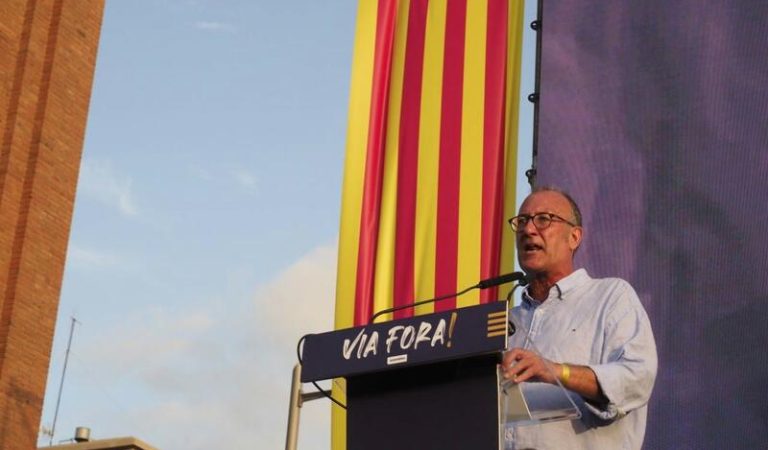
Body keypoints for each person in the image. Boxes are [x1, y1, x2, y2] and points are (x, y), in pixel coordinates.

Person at [501, 187, 657, 450]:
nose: (528, 230)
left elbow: (637, 378)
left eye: (544, 219)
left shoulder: (610, 296)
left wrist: (555, 371)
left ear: (574, 237)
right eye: (523, 221)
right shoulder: (506, 322)